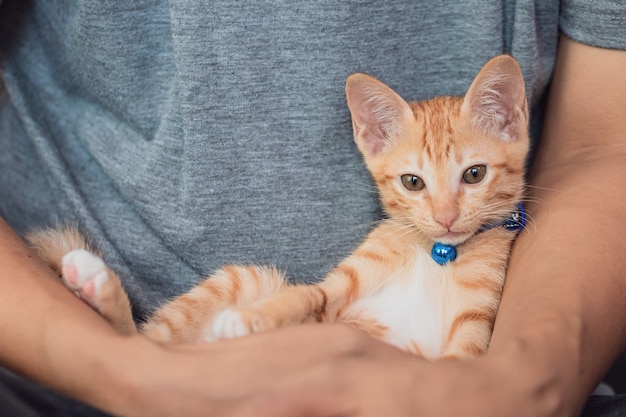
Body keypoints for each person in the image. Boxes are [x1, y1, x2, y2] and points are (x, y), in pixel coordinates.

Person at [0, 1, 625, 416]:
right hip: (69, 383)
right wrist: (122, 372)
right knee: (248, 282)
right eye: (414, 184)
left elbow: (603, 144)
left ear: (508, 122)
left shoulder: (493, 249)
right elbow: (322, 297)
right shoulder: (393, 239)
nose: (443, 212)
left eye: (472, 176)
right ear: (372, 140)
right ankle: (133, 336)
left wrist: (527, 383)